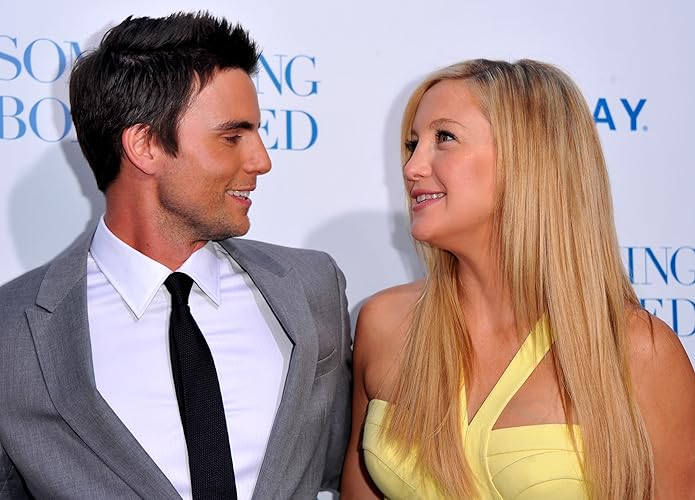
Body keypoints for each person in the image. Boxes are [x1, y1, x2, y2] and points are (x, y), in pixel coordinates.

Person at [0, 12, 351, 500]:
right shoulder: (12, 332)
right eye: (232, 137)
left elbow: (337, 465)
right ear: (144, 146)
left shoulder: (312, 288)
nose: (262, 160)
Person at [341, 59, 695, 499]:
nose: (412, 167)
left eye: (444, 138)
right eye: (413, 144)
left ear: (527, 159)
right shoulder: (385, 324)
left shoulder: (635, 350)